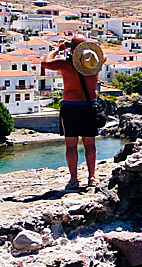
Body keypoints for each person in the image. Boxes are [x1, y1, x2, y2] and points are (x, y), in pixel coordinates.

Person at [41, 34, 106, 190]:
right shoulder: (94, 64)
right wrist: (89, 48)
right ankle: (92, 177)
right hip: (90, 107)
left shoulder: (65, 64)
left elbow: (45, 62)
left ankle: (74, 180)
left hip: (71, 107)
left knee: (71, 146)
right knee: (90, 145)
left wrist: (58, 49)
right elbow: (103, 55)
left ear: (71, 50)